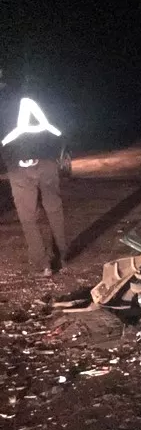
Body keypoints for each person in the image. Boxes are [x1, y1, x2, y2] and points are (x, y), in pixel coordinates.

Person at [0, 71, 67, 277]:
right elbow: (62, 128)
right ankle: (62, 257)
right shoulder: (48, 95)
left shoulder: (4, 101)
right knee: (54, 208)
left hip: (17, 166)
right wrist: (57, 152)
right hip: (46, 160)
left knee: (28, 216)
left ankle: (43, 263)